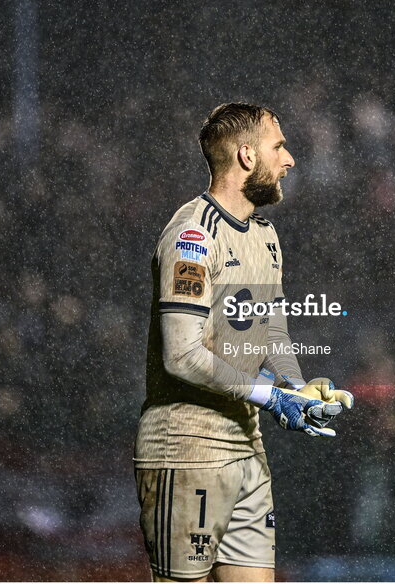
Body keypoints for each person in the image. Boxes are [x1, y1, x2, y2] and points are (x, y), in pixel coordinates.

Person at [134, 103, 352, 581]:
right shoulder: (192, 236)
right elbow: (183, 356)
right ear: (247, 156)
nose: (290, 159)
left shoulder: (267, 237)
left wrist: (295, 388)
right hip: (187, 448)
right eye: (279, 147)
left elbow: (271, 334)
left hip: (247, 447)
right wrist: (269, 396)